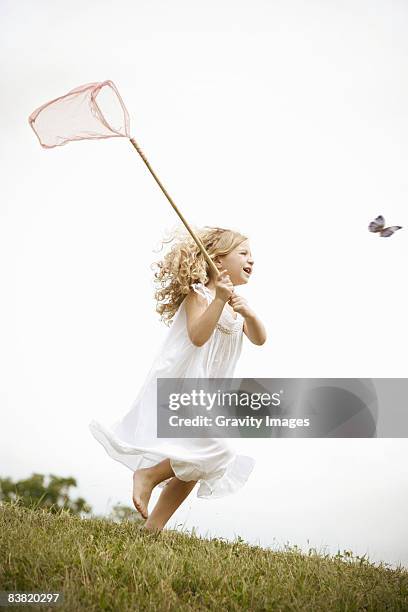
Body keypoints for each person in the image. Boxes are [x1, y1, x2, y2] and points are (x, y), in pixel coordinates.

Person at [89, 225, 266, 532]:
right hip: (185, 387)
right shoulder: (201, 295)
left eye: (253, 255)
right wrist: (220, 300)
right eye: (244, 253)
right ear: (219, 261)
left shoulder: (237, 308)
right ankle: (150, 475)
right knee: (219, 450)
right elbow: (198, 337)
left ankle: (153, 529)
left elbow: (260, 339)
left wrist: (249, 313)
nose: (252, 259)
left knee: (197, 461)